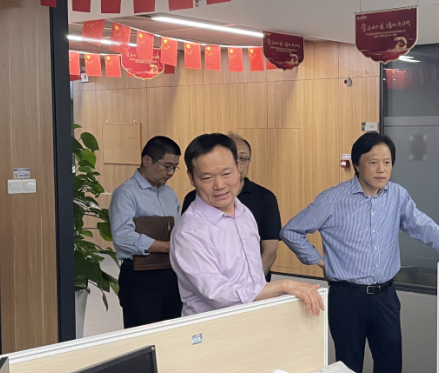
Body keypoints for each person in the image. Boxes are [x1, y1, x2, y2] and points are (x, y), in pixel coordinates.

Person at [283, 132, 439, 373]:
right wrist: (319, 262)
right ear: (357, 164)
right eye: (373, 162)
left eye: (387, 162)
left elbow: (421, 225)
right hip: (347, 297)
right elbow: (292, 231)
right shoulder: (333, 199)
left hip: (386, 296)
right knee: (348, 369)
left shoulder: (397, 195)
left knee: (390, 365)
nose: (381, 169)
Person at [170, 133, 323, 317]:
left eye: (226, 174)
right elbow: (217, 294)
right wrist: (282, 286)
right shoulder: (189, 231)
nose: (219, 185)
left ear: (238, 168)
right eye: (207, 178)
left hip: (255, 318)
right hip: (215, 327)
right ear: (191, 178)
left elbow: (256, 273)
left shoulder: (244, 213)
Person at [109, 136, 183, 328]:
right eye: (167, 166)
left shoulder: (169, 194)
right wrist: (165, 247)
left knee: (172, 331)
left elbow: (179, 228)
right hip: (140, 277)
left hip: (171, 274)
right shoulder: (126, 193)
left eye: (175, 167)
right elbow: (123, 236)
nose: (170, 173)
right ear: (147, 160)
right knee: (143, 333)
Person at [183, 132, 282, 276]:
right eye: (207, 177)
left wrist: (257, 283)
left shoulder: (253, 205)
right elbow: (210, 284)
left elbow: (270, 250)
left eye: (243, 159)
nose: (219, 185)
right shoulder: (190, 217)